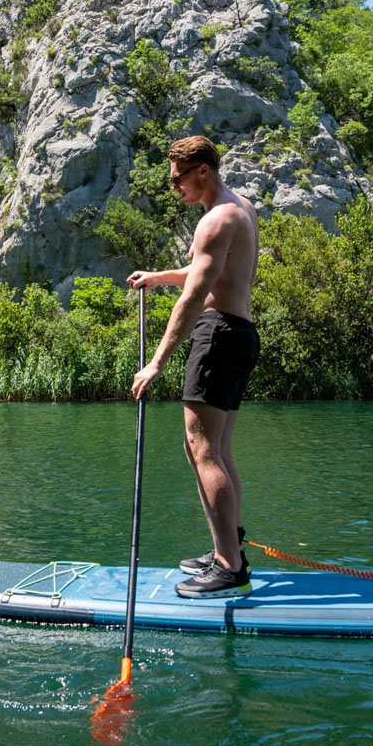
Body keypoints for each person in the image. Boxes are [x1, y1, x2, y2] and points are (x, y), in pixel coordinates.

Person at [128, 136, 260, 599]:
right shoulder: (238, 207)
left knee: (202, 450)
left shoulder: (215, 220)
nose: (174, 187)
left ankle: (228, 566)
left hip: (218, 335)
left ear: (202, 169)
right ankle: (231, 550)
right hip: (238, 334)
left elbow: (192, 298)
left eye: (178, 178)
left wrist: (156, 363)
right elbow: (209, 273)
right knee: (215, 450)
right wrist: (157, 277)